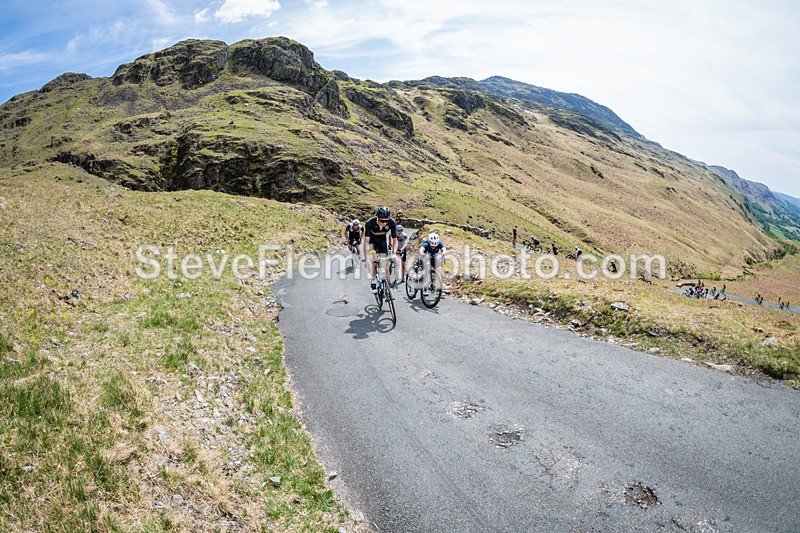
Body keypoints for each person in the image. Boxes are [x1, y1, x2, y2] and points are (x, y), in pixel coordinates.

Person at [363, 207, 398, 294]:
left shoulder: (392, 222)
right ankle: (374, 279)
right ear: (377, 217)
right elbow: (366, 242)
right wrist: (367, 258)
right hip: (372, 242)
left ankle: (388, 285)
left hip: (382, 241)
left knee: (386, 265)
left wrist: (394, 253)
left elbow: (395, 240)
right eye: (382, 221)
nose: (384, 223)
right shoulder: (370, 223)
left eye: (386, 221)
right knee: (374, 261)